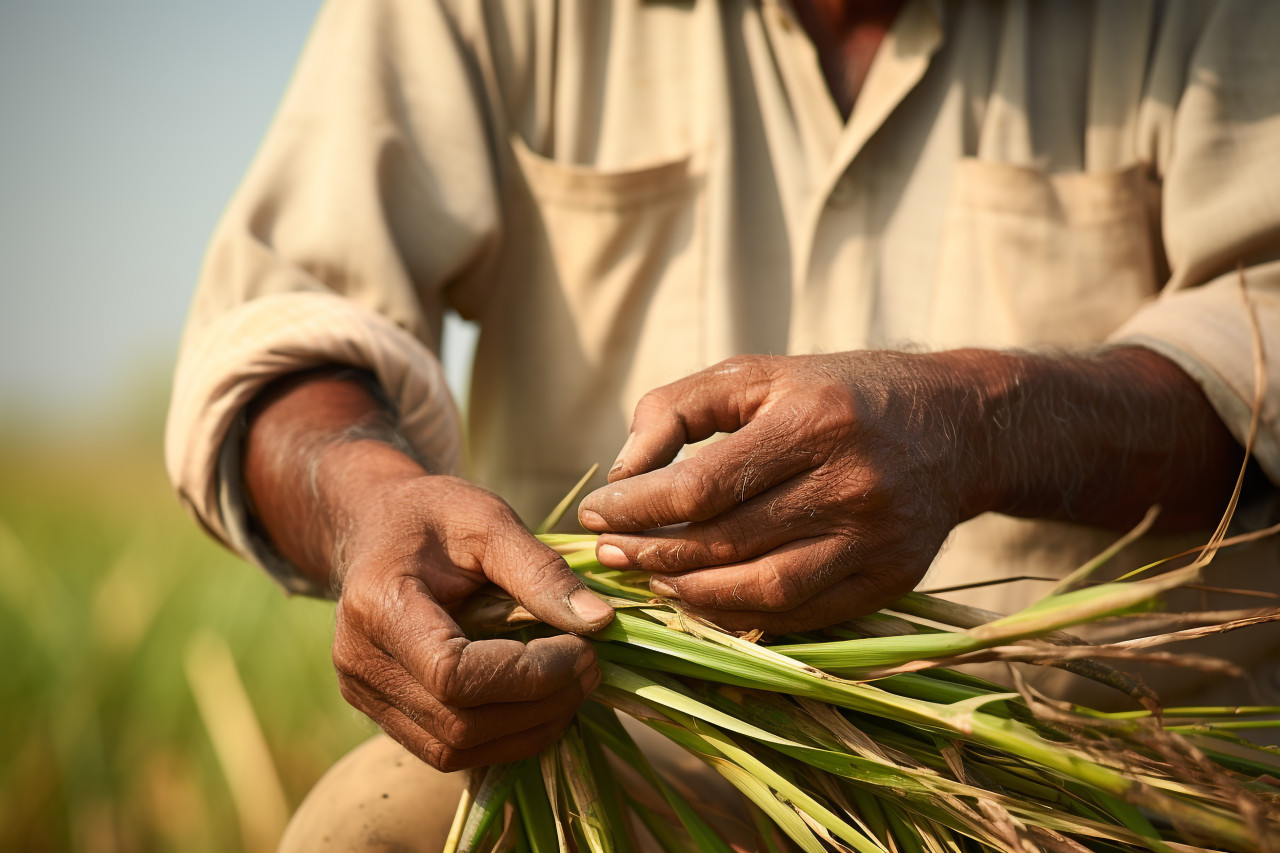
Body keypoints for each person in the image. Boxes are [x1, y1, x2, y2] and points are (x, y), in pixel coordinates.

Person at [166, 0, 1280, 848]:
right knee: (366, 829)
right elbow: (283, 322)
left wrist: (990, 420)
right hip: (620, 744)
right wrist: (365, 504)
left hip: (1104, 747)